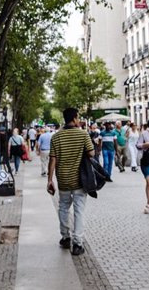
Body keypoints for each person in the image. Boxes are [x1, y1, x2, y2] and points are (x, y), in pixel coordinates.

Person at [47, 107, 95, 256]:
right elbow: (91, 153)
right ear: (74, 118)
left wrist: (50, 179)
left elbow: (52, 159)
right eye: (78, 117)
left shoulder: (56, 137)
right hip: (80, 180)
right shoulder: (83, 134)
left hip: (63, 179)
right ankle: (78, 243)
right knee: (79, 211)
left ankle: (65, 237)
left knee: (63, 207)